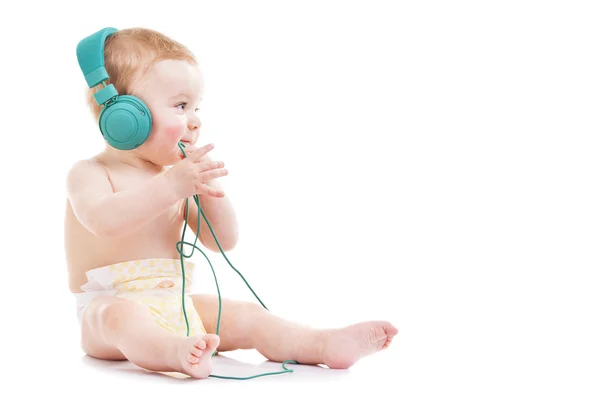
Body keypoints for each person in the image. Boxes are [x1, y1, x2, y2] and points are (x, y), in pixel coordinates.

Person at [65, 27, 397, 379]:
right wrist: (171, 186)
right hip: (104, 312)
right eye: (180, 106)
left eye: (195, 107)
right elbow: (104, 221)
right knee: (118, 317)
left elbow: (223, 241)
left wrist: (207, 188)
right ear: (124, 115)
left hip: (177, 302)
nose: (195, 120)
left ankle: (320, 344)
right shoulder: (89, 173)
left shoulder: (175, 180)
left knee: (246, 315)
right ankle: (170, 352)